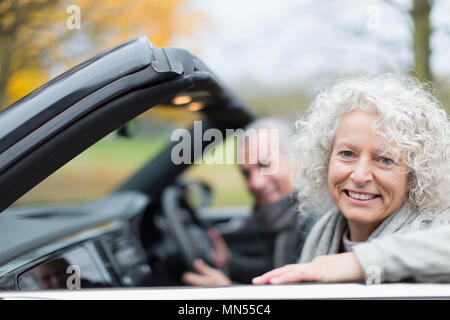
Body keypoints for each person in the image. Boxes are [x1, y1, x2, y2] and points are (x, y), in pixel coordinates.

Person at [253, 73, 450, 285]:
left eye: (384, 160)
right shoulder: (321, 233)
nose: (360, 175)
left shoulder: (435, 228)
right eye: (347, 154)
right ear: (326, 158)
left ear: (415, 175)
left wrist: (358, 262)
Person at [182, 118, 318, 286]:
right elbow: (274, 271)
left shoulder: (312, 221)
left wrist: (225, 292)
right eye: (246, 173)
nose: (255, 182)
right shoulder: (284, 217)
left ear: (297, 160)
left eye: (264, 164)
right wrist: (230, 262)